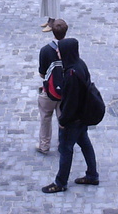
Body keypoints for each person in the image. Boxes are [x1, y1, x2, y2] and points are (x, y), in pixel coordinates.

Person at [42, 38, 100, 193]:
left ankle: (60, 182)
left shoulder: (71, 73)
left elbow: (70, 102)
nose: (57, 51)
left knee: (65, 149)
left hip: (73, 119)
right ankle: (92, 174)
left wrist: (63, 121)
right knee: (85, 143)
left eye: (59, 49)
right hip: (82, 115)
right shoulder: (80, 64)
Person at [37, 18, 68, 154]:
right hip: (65, 92)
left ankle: (44, 145)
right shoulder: (70, 49)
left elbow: (42, 73)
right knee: (63, 119)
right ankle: (64, 144)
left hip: (48, 92)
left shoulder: (45, 50)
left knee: (45, 118)